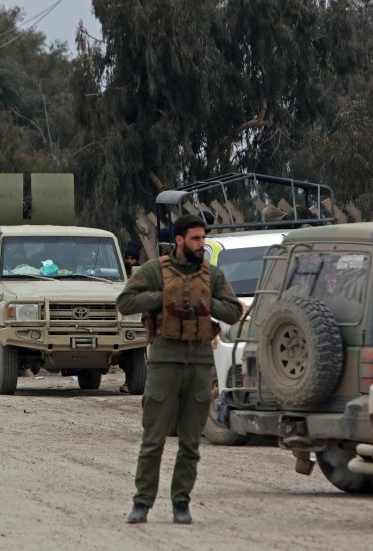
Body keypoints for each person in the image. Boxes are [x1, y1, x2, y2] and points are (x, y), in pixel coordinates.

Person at [116, 214, 243, 525]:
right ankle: (142, 503)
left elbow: (235, 310)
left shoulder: (211, 275)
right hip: (163, 361)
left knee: (190, 442)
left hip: (199, 361)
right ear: (179, 240)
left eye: (203, 238)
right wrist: (165, 298)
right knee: (154, 438)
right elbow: (125, 301)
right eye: (196, 239)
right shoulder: (155, 271)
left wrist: (206, 302)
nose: (201, 244)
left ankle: (181, 503)